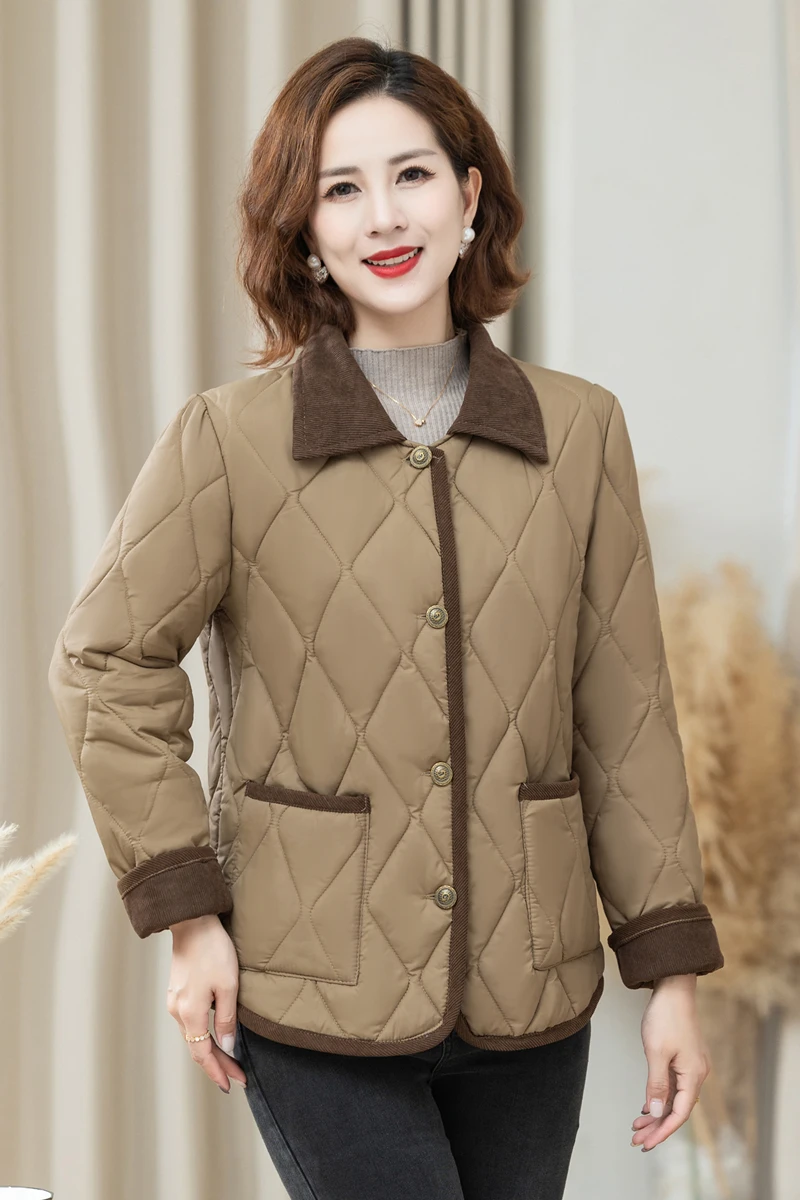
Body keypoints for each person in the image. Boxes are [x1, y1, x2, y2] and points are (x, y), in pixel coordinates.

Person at [48, 34, 724, 1200]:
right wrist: (188, 915)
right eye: (340, 190)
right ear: (303, 233)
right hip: (308, 983)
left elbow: (622, 706)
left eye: (410, 174)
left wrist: (670, 977)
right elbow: (105, 660)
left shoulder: (578, 431)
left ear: (469, 196)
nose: (383, 217)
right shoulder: (230, 440)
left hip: (530, 989)